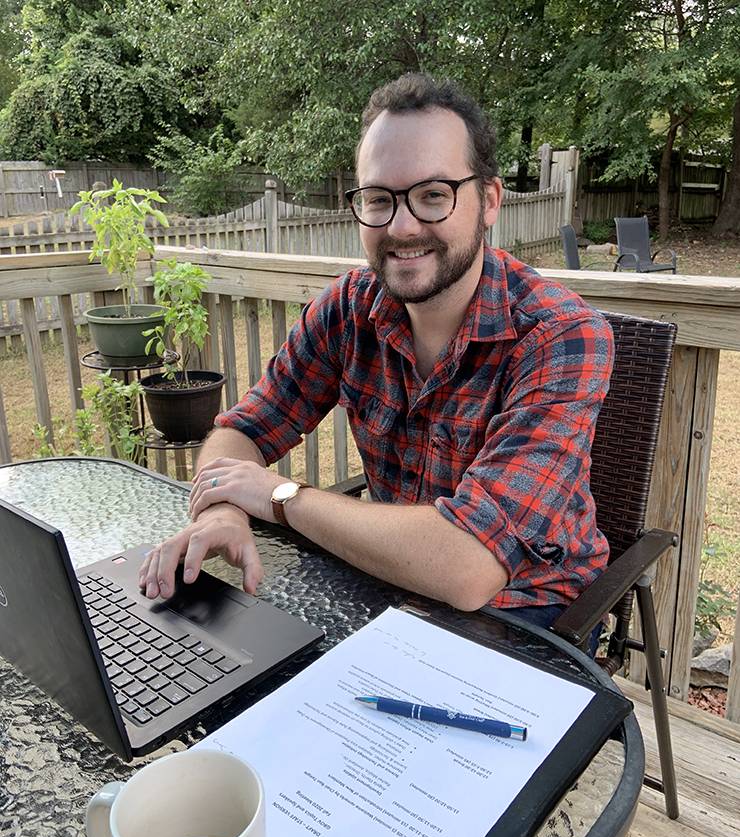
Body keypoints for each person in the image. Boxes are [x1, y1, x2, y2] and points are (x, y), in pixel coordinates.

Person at [139, 73, 614, 641]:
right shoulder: (349, 308)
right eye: (379, 200)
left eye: (433, 195)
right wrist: (223, 513)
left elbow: (469, 567)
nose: (403, 225)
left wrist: (277, 496)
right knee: (219, 671)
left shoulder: (560, 336)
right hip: (383, 588)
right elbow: (244, 429)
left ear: (488, 201)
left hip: (521, 613)